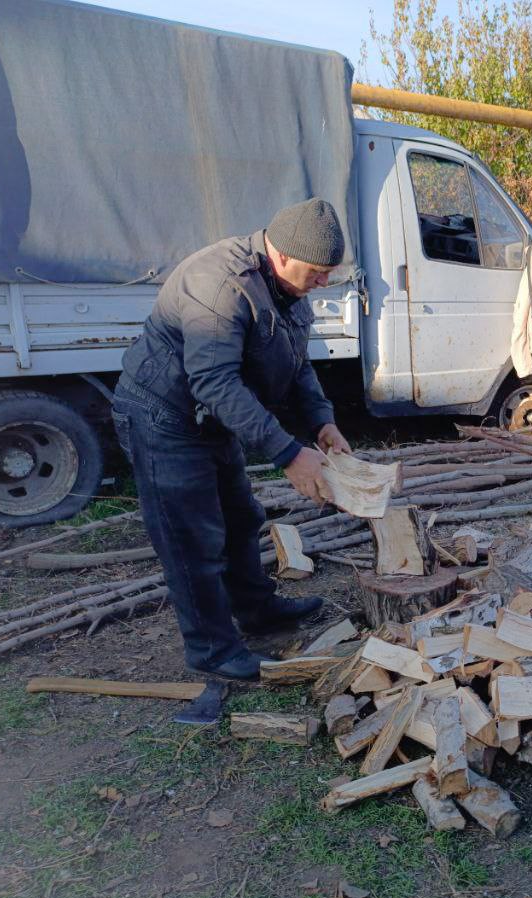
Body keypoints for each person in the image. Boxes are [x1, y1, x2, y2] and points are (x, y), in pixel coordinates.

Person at [113, 199, 353, 680]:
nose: (324, 283)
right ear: (282, 255)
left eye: (330, 273)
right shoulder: (220, 286)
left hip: (212, 419)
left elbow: (297, 362)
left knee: (242, 517)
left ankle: (256, 611)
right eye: (317, 272)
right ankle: (213, 653)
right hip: (165, 419)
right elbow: (214, 381)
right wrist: (289, 454)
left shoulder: (287, 287)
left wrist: (321, 422)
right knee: (192, 539)